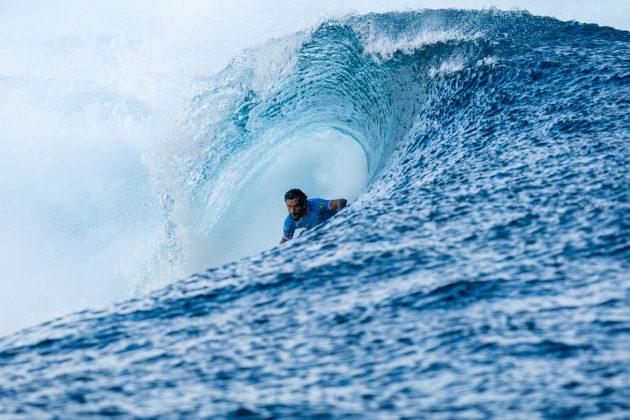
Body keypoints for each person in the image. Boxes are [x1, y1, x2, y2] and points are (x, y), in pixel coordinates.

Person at [280, 188, 347, 243]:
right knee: (303, 235)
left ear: (304, 204)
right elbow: (285, 241)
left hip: (334, 225)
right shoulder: (289, 222)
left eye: (296, 206)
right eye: (289, 206)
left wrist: (341, 219)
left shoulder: (317, 205)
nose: (292, 211)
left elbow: (341, 201)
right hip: (320, 233)